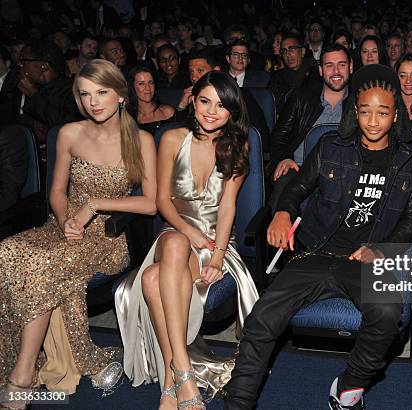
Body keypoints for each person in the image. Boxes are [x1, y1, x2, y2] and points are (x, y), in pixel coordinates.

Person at [224, 64, 412, 409]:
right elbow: (297, 188)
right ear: (354, 112)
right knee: (262, 317)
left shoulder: (410, 161)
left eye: (382, 113)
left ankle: (349, 386)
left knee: (389, 311)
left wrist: (381, 249)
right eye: (365, 112)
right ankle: (238, 403)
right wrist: (283, 212)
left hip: (362, 259)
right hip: (315, 253)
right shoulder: (331, 147)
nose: (373, 121)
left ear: (396, 116)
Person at [0, 58, 157, 407]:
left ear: (120, 95)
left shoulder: (140, 139)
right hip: (63, 226)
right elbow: (56, 191)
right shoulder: (69, 133)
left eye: (102, 92)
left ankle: (20, 378)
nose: (93, 101)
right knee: (7, 250)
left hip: (109, 237)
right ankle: (17, 357)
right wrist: (65, 220)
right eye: (85, 94)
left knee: (40, 266)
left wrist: (94, 206)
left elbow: (150, 204)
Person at [115, 71, 259, 410]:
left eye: (221, 106)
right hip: (175, 230)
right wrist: (190, 230)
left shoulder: (239, 144)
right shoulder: (171, 138)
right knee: (178, 242)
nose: (211, 111)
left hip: (214, 242)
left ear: (232, 111)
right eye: (205, 101)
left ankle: (170, 384)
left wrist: (219, 256)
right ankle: (183, 371)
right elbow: (162, 201)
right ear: (192, 101)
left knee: (152, 279)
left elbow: (227, 208)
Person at [267, 44, 352, 210]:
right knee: (283, 190)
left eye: (341, 65)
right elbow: (279, 136)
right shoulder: (301, 98)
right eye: (329, 66)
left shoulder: (361, 103)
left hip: (346, 172)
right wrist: (285, 157)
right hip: (299, 169)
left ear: (351, 67)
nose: (336, 71)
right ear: (320, 70)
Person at [126, 66, 176, 135]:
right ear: (132, 87)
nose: (148, 88)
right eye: (141, 84)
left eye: (151, 82)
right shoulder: (128, 118)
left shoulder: (167, 112)